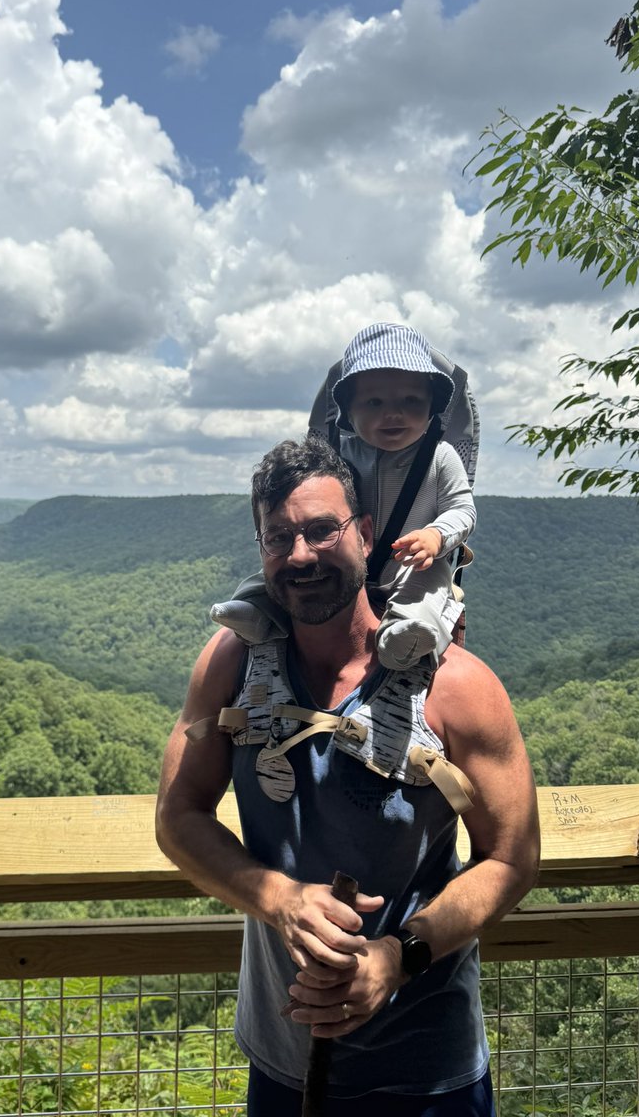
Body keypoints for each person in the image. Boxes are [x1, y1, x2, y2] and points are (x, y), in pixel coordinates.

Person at [156, 435, 539, 1116]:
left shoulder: (456, 688)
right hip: (283, 1059)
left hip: (429, 1071)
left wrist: (400, 955)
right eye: (279, 538)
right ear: (262, 550)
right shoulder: (233, 665)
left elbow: (511, 858)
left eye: (321, 530)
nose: (300, 555)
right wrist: (277, 898)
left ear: (365, 535)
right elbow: (179, 814)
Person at [211, 322, 476, 669]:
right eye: (374, 402)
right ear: (348, 413)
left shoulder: (441, 457)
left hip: (414, 564)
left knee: (427, 591)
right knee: (284, 571)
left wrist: (436, 535)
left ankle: (408, 636)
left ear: (432, 407)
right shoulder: (337, 454)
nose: (393, 413)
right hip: (342, 563)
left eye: (411, 400)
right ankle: (255, 610)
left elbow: (462, 509)